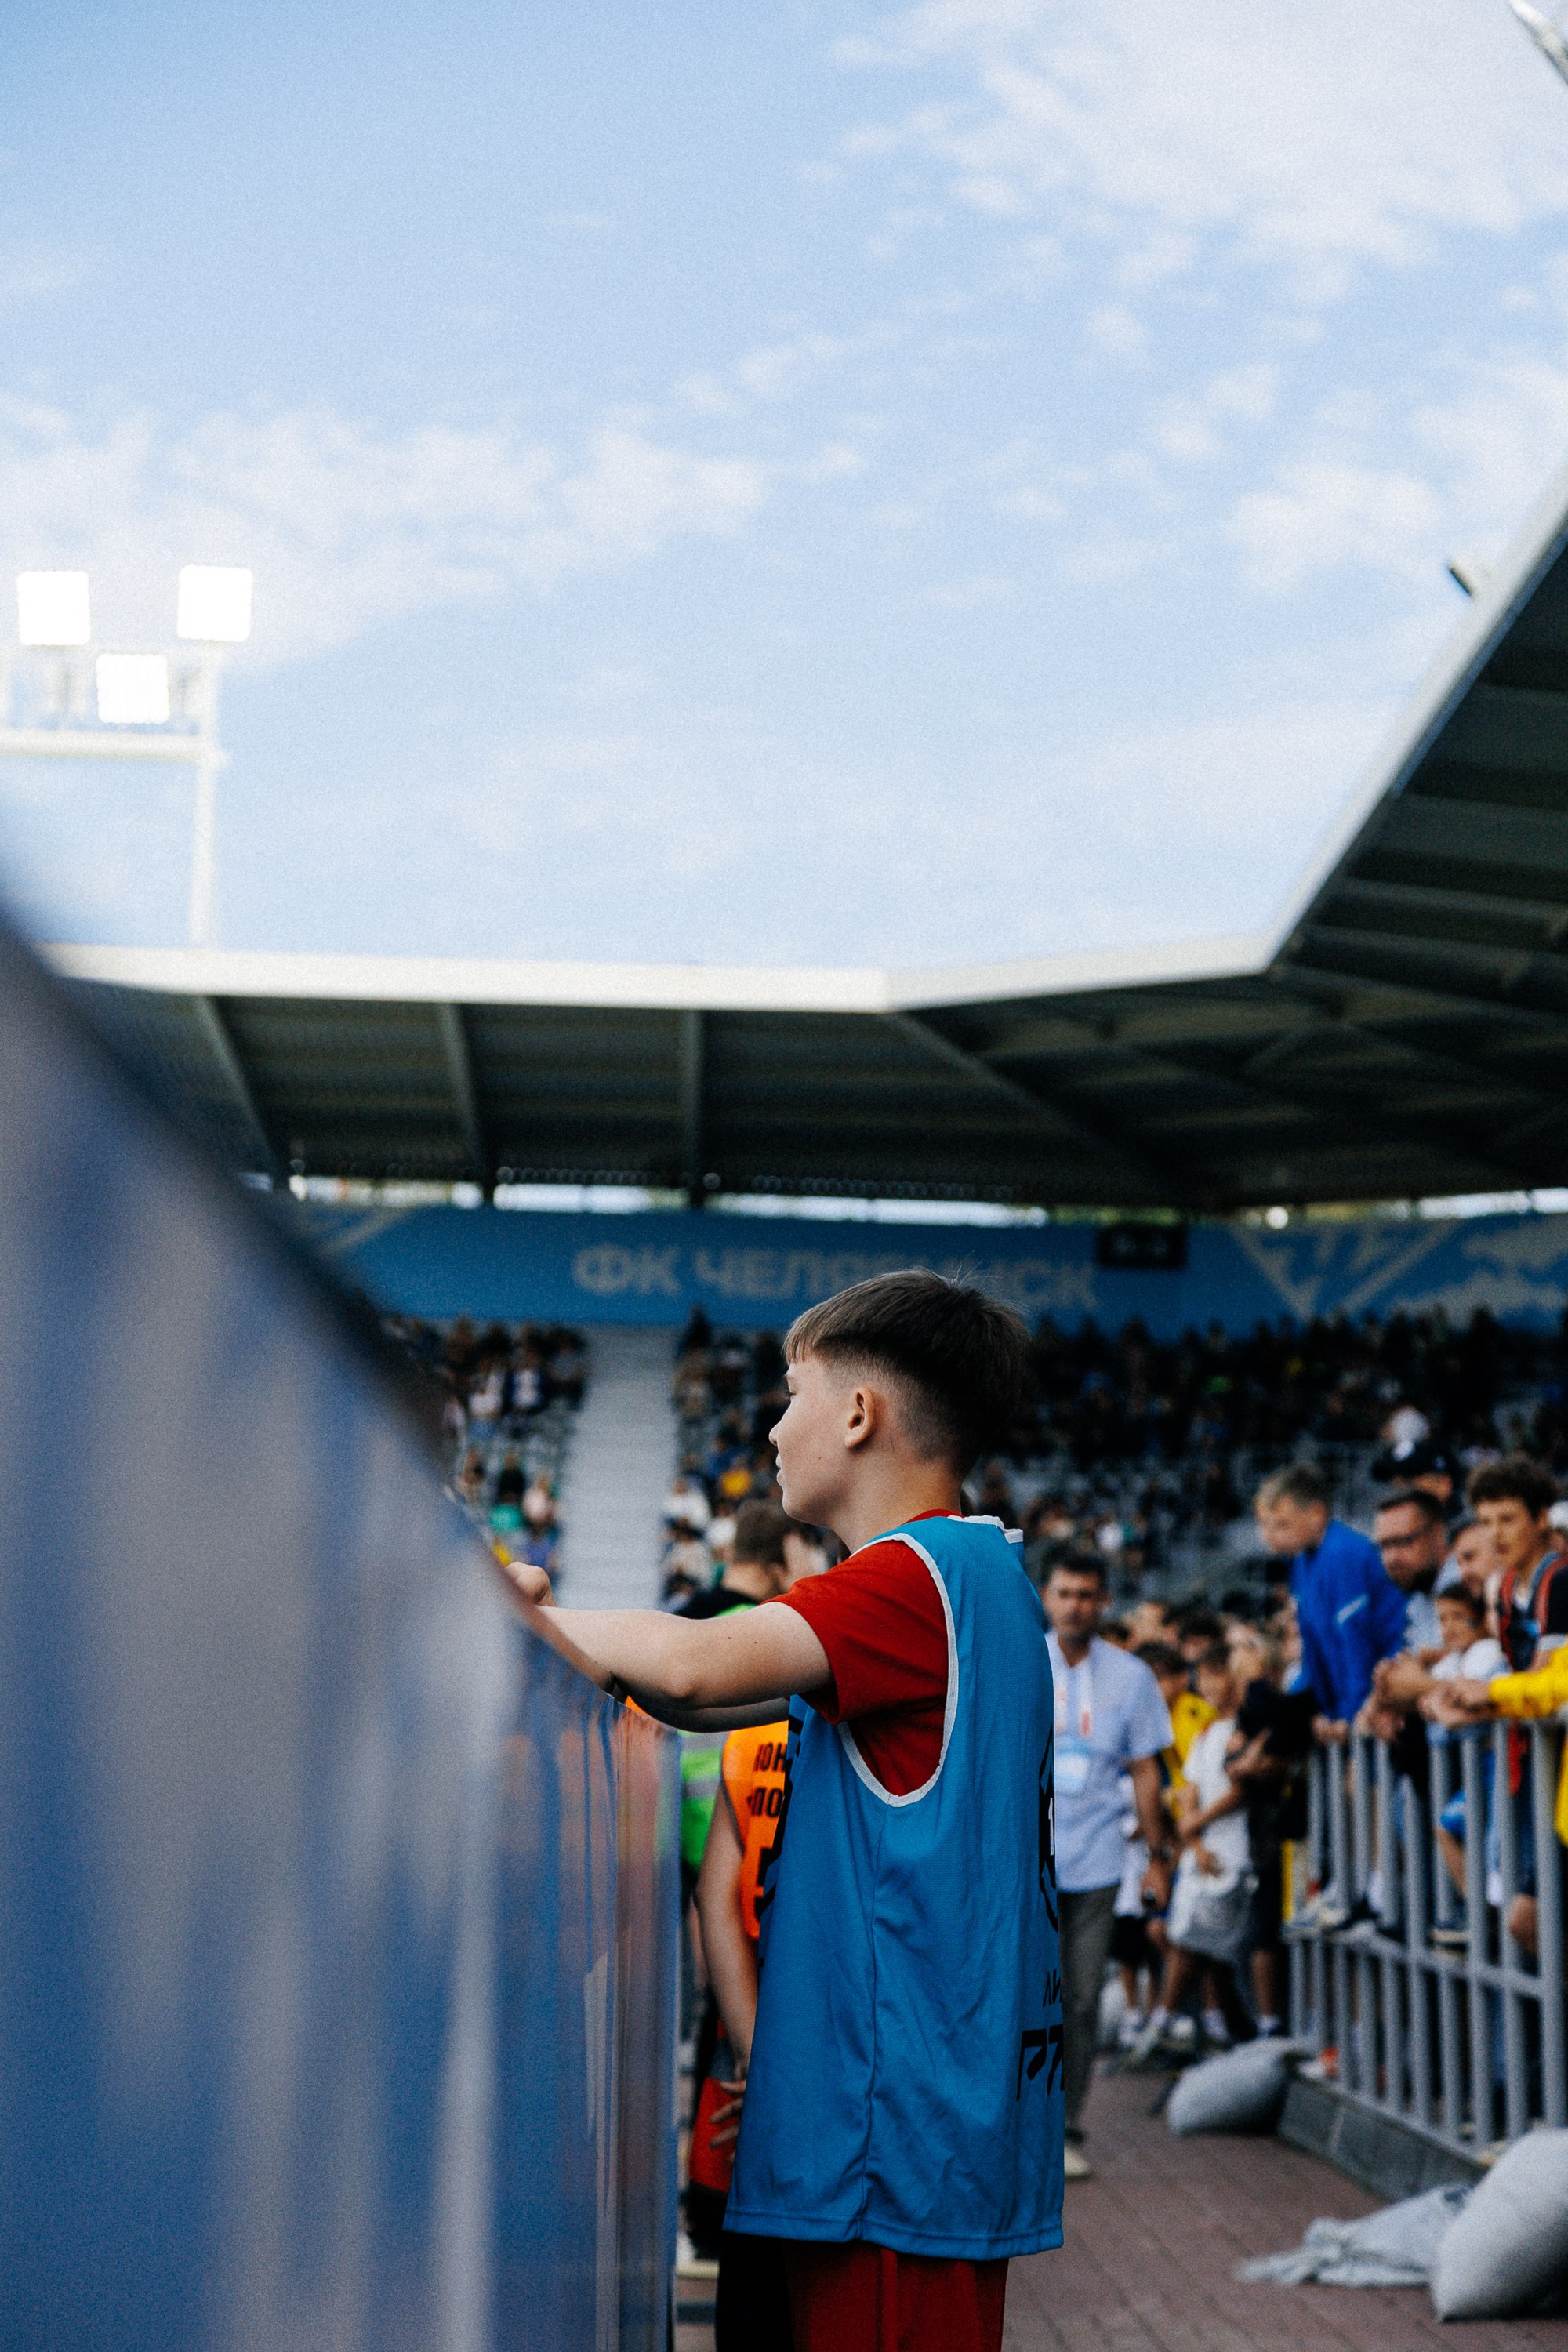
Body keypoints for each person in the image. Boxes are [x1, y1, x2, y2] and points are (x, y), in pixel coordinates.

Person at [506, 1270, 1062, 2352]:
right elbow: (684, 1692)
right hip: (895, 2124)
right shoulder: (979, 1573)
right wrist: (553, 1633)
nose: (771, 1427)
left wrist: (499, 1599)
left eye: (791, 1393)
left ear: (859, 1414)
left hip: (891, 2142)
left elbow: (700, 1664)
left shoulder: (919, 1574)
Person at [1044, 1558, 1173, 2179]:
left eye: (1087, 1594)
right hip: (1025, 1859)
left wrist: (1157, 1858)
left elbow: (1147, 1771)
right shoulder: (1021, 1661)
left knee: (1084, 1995)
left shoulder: (1131, 1677)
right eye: (1065, 1592)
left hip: (1096, 1859)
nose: (1075, 1604)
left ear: (1105, 1601)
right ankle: (1017, 2126)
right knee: (1020, 1994)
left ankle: (1066, 2127)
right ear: (1046, 1595)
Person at [1255, 1464, 1405, 1744]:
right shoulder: (1301, 1560)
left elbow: (1356, 1643)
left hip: (1379, 1702)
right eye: (1264, 1524)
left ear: (1316, 1513)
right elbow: (1313, 1647)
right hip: (1343, 1709)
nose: (1269, 1535)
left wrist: (1349, 1719)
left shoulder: (1343, 1554)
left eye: (1281, 1524)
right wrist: (1320, 1713)